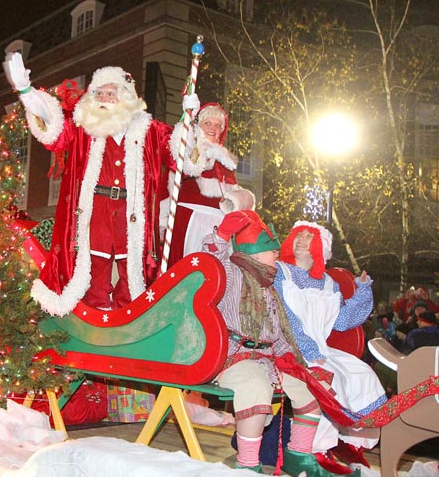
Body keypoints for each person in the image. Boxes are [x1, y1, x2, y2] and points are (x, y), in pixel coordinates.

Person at [3, 52, 177, 315]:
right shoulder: (84, 128)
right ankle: (96, 317)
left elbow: (180, 150)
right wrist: (27, 92)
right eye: (100, 93)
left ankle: (129, 316)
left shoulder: (150, 130)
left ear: (126, 97)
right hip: (94, 211)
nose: (105, 99)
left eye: (111, 93)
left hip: (131, 215)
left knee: (134, 268)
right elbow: (51, 122)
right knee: (94, 266)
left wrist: (190, 123)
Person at [204, 210, 324, 473]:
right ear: (256, 254)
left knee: (311, 386)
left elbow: (276, 334)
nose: (278, 255)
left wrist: (292, 358)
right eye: (273, 250)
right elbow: (209, 261)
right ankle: (248, 466)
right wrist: (222, 235)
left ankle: (299, 457)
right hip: (233, 358)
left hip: (267, 360)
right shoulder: (232, 273)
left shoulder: (268, 287)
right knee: (255, 387)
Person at [273, 221, 385, 474]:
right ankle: (314, 450)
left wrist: (363, 291)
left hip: (320, 350)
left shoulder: (328, 283)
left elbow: (342, 321)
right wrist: (308, 351)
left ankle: (347, 444)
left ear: (321, 248)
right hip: (288, 347)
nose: (301, 240)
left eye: (308, 237)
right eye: (297, 235)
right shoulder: (280, 272)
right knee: (327, 381)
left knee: (362, 374)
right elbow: (284, 316)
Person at [161, 99, 256, 266]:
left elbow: (236, 197)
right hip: (191, 221)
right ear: (198, 126)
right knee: (187, 270)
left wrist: (237, 200)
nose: (213, 128)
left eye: (218, 125)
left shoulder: (226, 161)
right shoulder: (188, 148)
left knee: (215, 274)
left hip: (219, 226)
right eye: (208, 123)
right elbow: (171, 184)